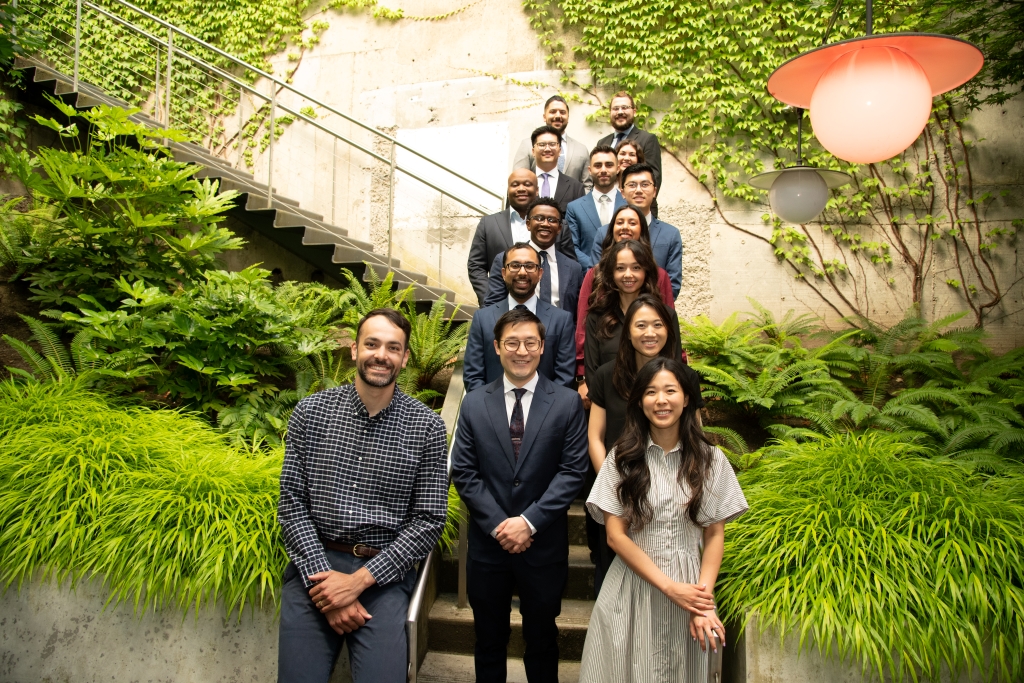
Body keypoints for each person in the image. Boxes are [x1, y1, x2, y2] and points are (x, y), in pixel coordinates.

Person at [278, 308, 449, 683]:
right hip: (315, 568)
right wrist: (325, 588)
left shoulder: (427, 427)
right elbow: (292, 504)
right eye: (372, 344)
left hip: (383, 578)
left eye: (393, 347)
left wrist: (358, 582)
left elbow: (428, 520)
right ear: (355, 349)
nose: (381, 355)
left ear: (404, 357)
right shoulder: (311, 413)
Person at [578, 357, 748, 683]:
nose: (661, 400)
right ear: (639, 402)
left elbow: (714, 534)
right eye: (651, 392)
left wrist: (702, 603)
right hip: (632, 588)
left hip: (691, 587)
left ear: (686, 398)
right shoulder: (622, 459)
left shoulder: (711, 459)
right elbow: (615, 536)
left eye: (671, 390)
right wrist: (670, 588)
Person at [451, 307, 589, 683]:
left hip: (543, 548)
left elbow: (572, 472)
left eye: (530, 342)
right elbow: (465, 472)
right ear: (497, 347)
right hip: (488, 548)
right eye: (512, 343)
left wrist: (528, 522)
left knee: (542, 642)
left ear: (542, 347)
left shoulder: (566, 403)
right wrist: (501, 524)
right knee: (488, 641)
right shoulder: (474, 402)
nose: (521, 351)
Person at [586, 295, 703, 595]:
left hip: (671, 497)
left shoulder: (686, 378)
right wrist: (612, 486)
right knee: (613, 575)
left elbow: (695, 435)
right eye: (640, 325)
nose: (649, 333)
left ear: (669, 331)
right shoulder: (606, 375)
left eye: (657, 325)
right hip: (618, 491)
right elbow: (595, 437)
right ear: (627, 332)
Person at [574, 205, 676, 400]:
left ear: (642, 230)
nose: (625, 227)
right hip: (606, 375)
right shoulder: (595, 274)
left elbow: (669, 329)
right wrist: (582, 376)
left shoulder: (659, 275)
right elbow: (583, 327)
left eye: (632, 222)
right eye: (619, 222)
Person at [464, 243, 576, 392]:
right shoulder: (482, 319)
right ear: (503, 273)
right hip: (491, 404)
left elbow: (564, 376)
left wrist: (543, 406)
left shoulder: (561, 320)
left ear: (540, 273)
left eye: (530, 266)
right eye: (515, 265)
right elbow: (473, 375)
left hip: (546, 405)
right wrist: (490, 405)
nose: (522, 272)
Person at [468, 169, 576, 307]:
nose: (521, 189)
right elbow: (476, 265)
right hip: (504, 309)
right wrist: (491, 303)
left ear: (537, 190)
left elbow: (570, 269)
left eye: (527, 184)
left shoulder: (558, 225)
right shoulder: (488, 224)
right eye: (515, 185)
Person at [589, 163, 682, 299]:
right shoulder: (604, 233)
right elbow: (595, 279)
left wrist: (645, 308)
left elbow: (672, 287)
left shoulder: (670, 235)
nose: (638, 190)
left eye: (645, 184)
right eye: (632, 185)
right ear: (622, 192)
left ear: (654, 191)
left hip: (654, 308)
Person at [484, 197, 584, 321]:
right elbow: (493, 305)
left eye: (552, 220)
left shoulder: (574, 268)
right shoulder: (504, 259)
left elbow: (578, 313)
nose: (545, 224)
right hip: (515, 329)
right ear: (528, 224)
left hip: (559, 331)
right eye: (539, 218)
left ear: (559, 228)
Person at [565, 145, 626, 270]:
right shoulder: (574, 208)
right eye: (598, 165)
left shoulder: (630, 205)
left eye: (609, 165)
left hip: (625, 274)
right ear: (590, 170)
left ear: (618, 168)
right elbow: (572, 247)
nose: (603, 170)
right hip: (589, 275)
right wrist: (598, 268)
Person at [513, 95, 592, 189]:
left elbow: (587, 186)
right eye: (553, 112)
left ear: (568, 117)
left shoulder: (581, 149)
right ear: (544, 117)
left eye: (562, 112)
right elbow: (517, 180)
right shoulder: (527, 145)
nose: (558, 116)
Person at [596, 92, 662, 196]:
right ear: (610, 112)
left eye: (624, 107)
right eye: (616, 108)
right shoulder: (603, 142)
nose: (620, 112)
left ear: (634, 111)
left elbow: (654, 178)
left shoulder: (648, 139)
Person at [529, 125, 586, 217]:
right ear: (533, 151)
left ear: (559, 151)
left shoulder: (576, 187)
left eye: (552, 144)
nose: (547, 149)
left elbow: (580, 220)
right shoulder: (521, 184)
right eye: (542, 144)